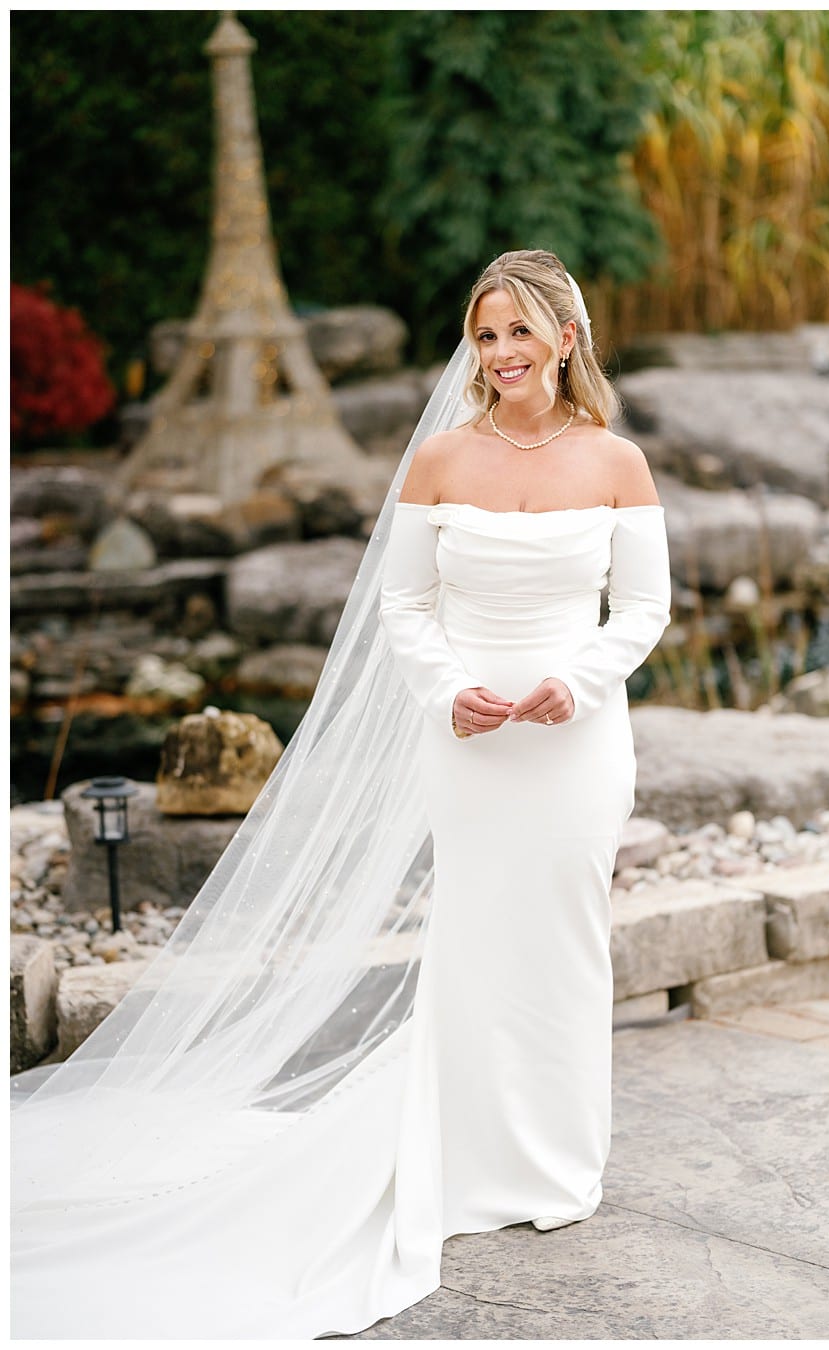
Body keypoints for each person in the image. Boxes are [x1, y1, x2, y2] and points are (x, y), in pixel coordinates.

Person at [11, 249, 672, 1336]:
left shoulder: (618, 463)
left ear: (566, 338)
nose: (500, 353)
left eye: (519, 332)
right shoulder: (442, 462)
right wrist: (449, 689)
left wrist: (578, 683)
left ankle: (558, 1163)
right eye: (484, 333)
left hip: (576, 740)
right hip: (464, 738)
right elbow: (403, 605)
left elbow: (640, 612)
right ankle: (465, 1152)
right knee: (471, 932)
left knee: (567, 934)